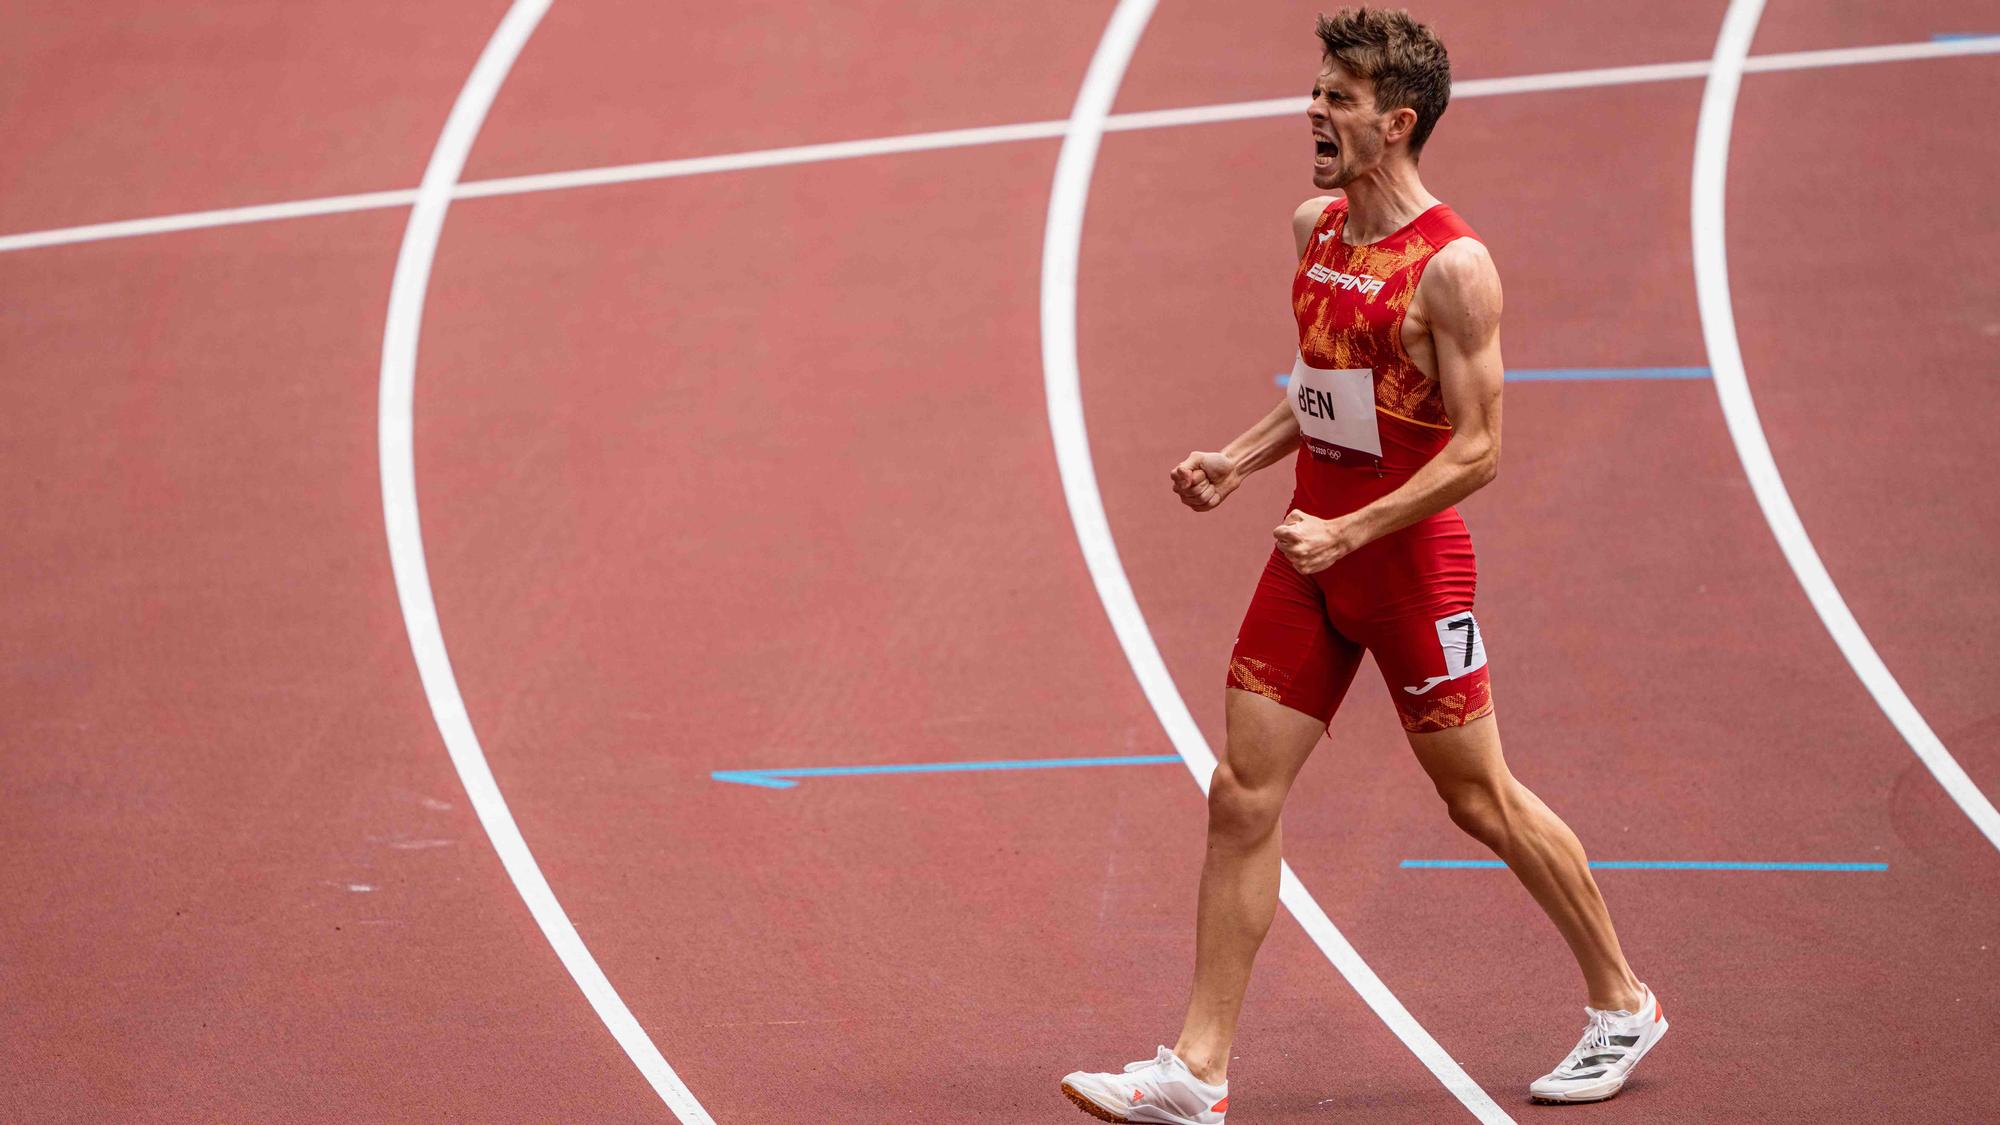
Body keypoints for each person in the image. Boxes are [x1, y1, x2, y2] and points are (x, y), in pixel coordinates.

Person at [1059, 9, 1667, 1122]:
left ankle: (1621, 1002)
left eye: (1336, 99)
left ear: (1395, 123)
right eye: (1316, 91)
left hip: (1406, 567)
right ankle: (1194, 1073)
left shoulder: (1455, 270)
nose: (1312, 111)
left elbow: (1479, 450)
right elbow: (1324, 385)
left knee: (1476, 801)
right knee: (1240, 792)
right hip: (1310, 550)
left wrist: (1353, 530)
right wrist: (1238, 460)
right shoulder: (1316, 230)